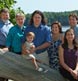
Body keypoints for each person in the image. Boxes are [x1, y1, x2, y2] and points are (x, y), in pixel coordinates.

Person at [0, 8, 13, 81]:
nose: (5, 16)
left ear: (9, 16)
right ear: (0, 16)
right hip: (1, 48)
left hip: (10, 49)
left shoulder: (11, 25)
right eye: (3, 15)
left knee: (8, 68)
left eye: (6, 15)